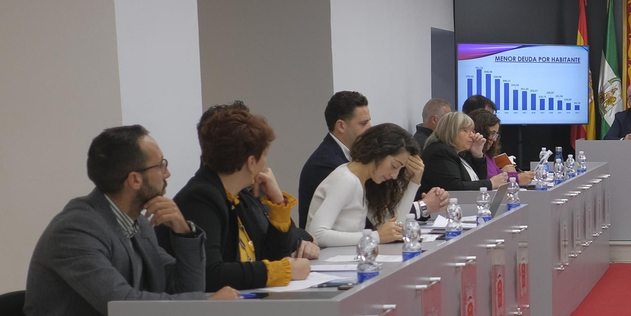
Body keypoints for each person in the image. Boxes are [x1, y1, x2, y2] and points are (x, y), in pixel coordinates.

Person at [22, 126, 236, 316]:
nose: (168, 172)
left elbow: (180, 287)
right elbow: (125, 305)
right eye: (160, 165)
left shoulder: (136, 220)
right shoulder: (76, 230)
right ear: (135, 179)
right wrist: (207, 302)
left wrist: (183, 232)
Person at [175, 108, 317, 291]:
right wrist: (284, 270)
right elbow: (211, 273)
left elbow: (274, 255)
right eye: (264, 155)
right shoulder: (200, 198)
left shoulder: (237, 196)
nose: (265, 162)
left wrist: (277, 201)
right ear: (251, 163)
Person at [306, 124, 447, 247]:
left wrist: (414, 181)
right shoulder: (345, 180)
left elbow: (395, 225)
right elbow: (317, 234)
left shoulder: (363, 182)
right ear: (379, 152)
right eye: (394, 166)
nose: (395, 175)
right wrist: (376, 236)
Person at [298, 91, 371, 228]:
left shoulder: (349, 155)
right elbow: (362, 217)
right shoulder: (325, 163)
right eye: (363, 123)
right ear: (341, 126)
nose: (370, 128)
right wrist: (379, 235)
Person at [418, 111, 503, 191]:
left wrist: (477, 155)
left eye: (472, 131)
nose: (472, 135)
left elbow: (478, 179)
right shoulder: (440, 152)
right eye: (465, 130)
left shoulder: (461, 153)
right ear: (451, 131)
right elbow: (455, 187)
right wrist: (491, 183)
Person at [466, 109, 535, 186]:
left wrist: (520, 176)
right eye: (492, 133)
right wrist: (517, 179)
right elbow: (490, 180)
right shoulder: (471, 155)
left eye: (495, 134)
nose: (494, 139)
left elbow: (499, 175)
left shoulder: (487, 155)